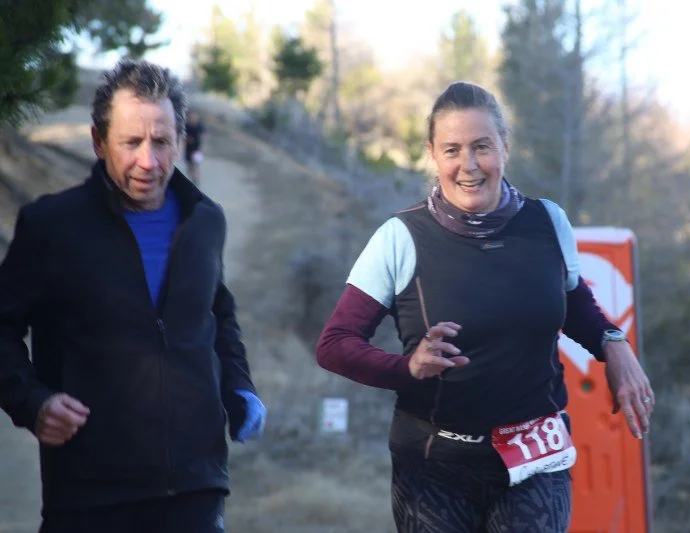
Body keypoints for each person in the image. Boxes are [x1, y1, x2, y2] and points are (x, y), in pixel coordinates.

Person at [316, 81, 654, 533]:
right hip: (434, 465)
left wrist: (613, 343)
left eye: (482, 147)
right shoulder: (400, 237)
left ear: (504, 148)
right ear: (432, 155)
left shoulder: (547, 221)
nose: (469, 165)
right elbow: (335, 344)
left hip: (536, 455)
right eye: (452, 150)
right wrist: (407, 369)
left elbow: (573, 302)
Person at [0, 59, 266, 533]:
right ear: (99, 142)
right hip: (89, 497)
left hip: (197, 489)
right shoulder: (51, 226)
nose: (148, 161)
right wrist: (31, 402)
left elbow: (218, 315)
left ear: (180, 141)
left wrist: (239, 388)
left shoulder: (206, 221)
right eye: (131, 142)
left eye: (161, 142)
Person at [184, 109, 205, 185]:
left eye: (194, 116)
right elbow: (183, 136)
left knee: (196, 165)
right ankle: (191, 180)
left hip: (197, 150)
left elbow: (203, 137)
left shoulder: (200, 126)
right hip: (188, 149)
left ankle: (196, 181)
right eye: (191, 116)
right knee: (189, 166)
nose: (193, 118)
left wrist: (202, 148)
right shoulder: (186, 125)